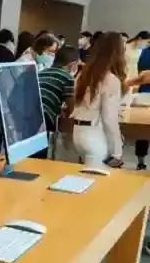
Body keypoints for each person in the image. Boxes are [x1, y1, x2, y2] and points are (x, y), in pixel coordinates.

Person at [70, 32, 128, 168]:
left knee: (85, 176)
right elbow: (109, 119)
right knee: (96, 178)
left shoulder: (83, 74)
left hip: (78, 133)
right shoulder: (110, 79)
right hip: (95, 136)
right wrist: (117, 152)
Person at [37, 46, 79, 159]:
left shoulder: (41, 72)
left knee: (30, 154)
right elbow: (71, 108)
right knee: (39, 155)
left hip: (29, 114)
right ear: (73, 65)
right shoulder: (67, 78)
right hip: (44, 117)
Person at [133, 40, 150, 169]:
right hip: (145, 94)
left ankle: (141, 162)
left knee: (142, 130)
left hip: (143, 94)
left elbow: (140, 72)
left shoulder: (144, 51)